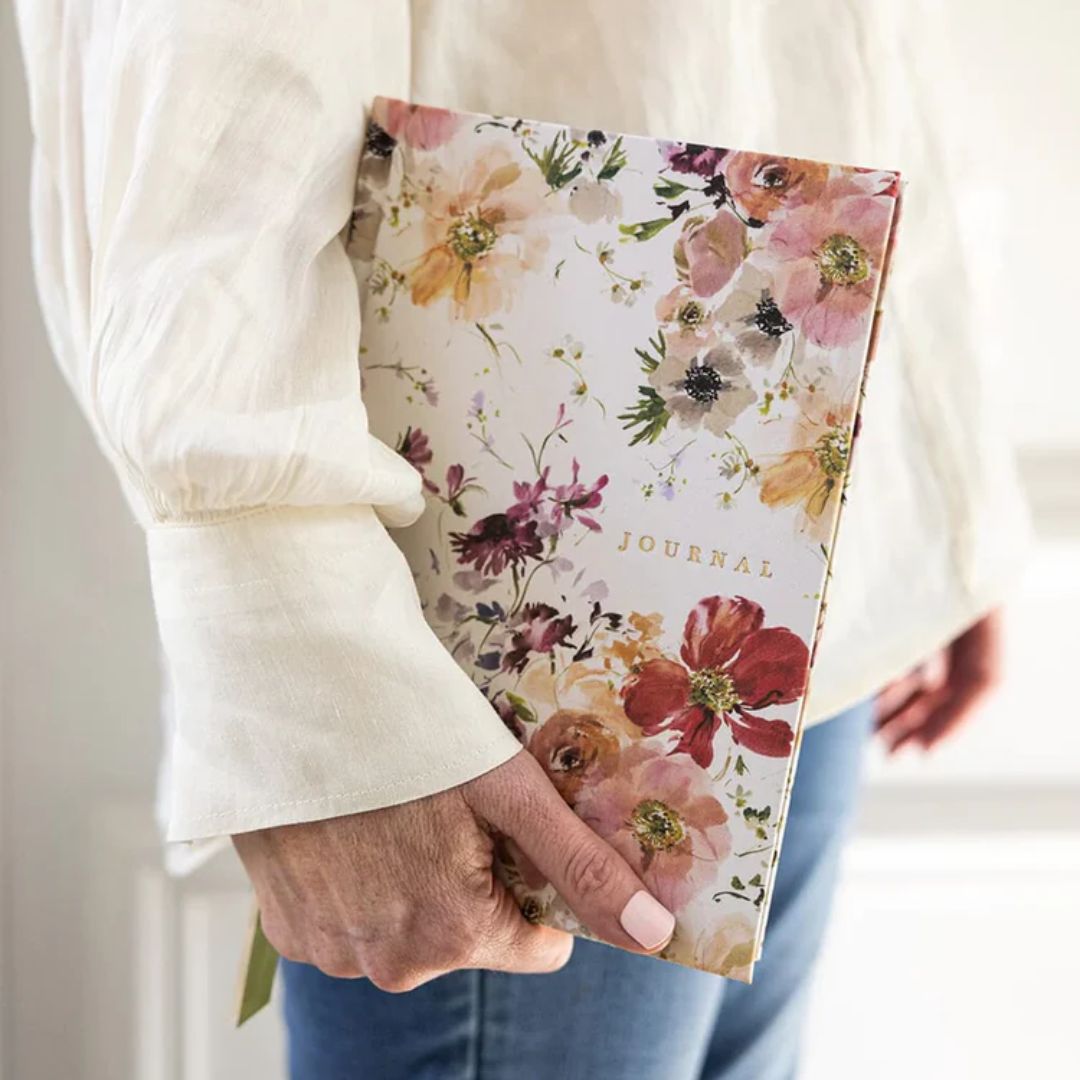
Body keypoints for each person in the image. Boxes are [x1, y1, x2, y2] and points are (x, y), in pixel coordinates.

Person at [14, 2, 1032, 1077]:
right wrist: (301, 645)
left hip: (816, 524)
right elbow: (197, 62)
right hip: (481, 646)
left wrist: (933, 452)